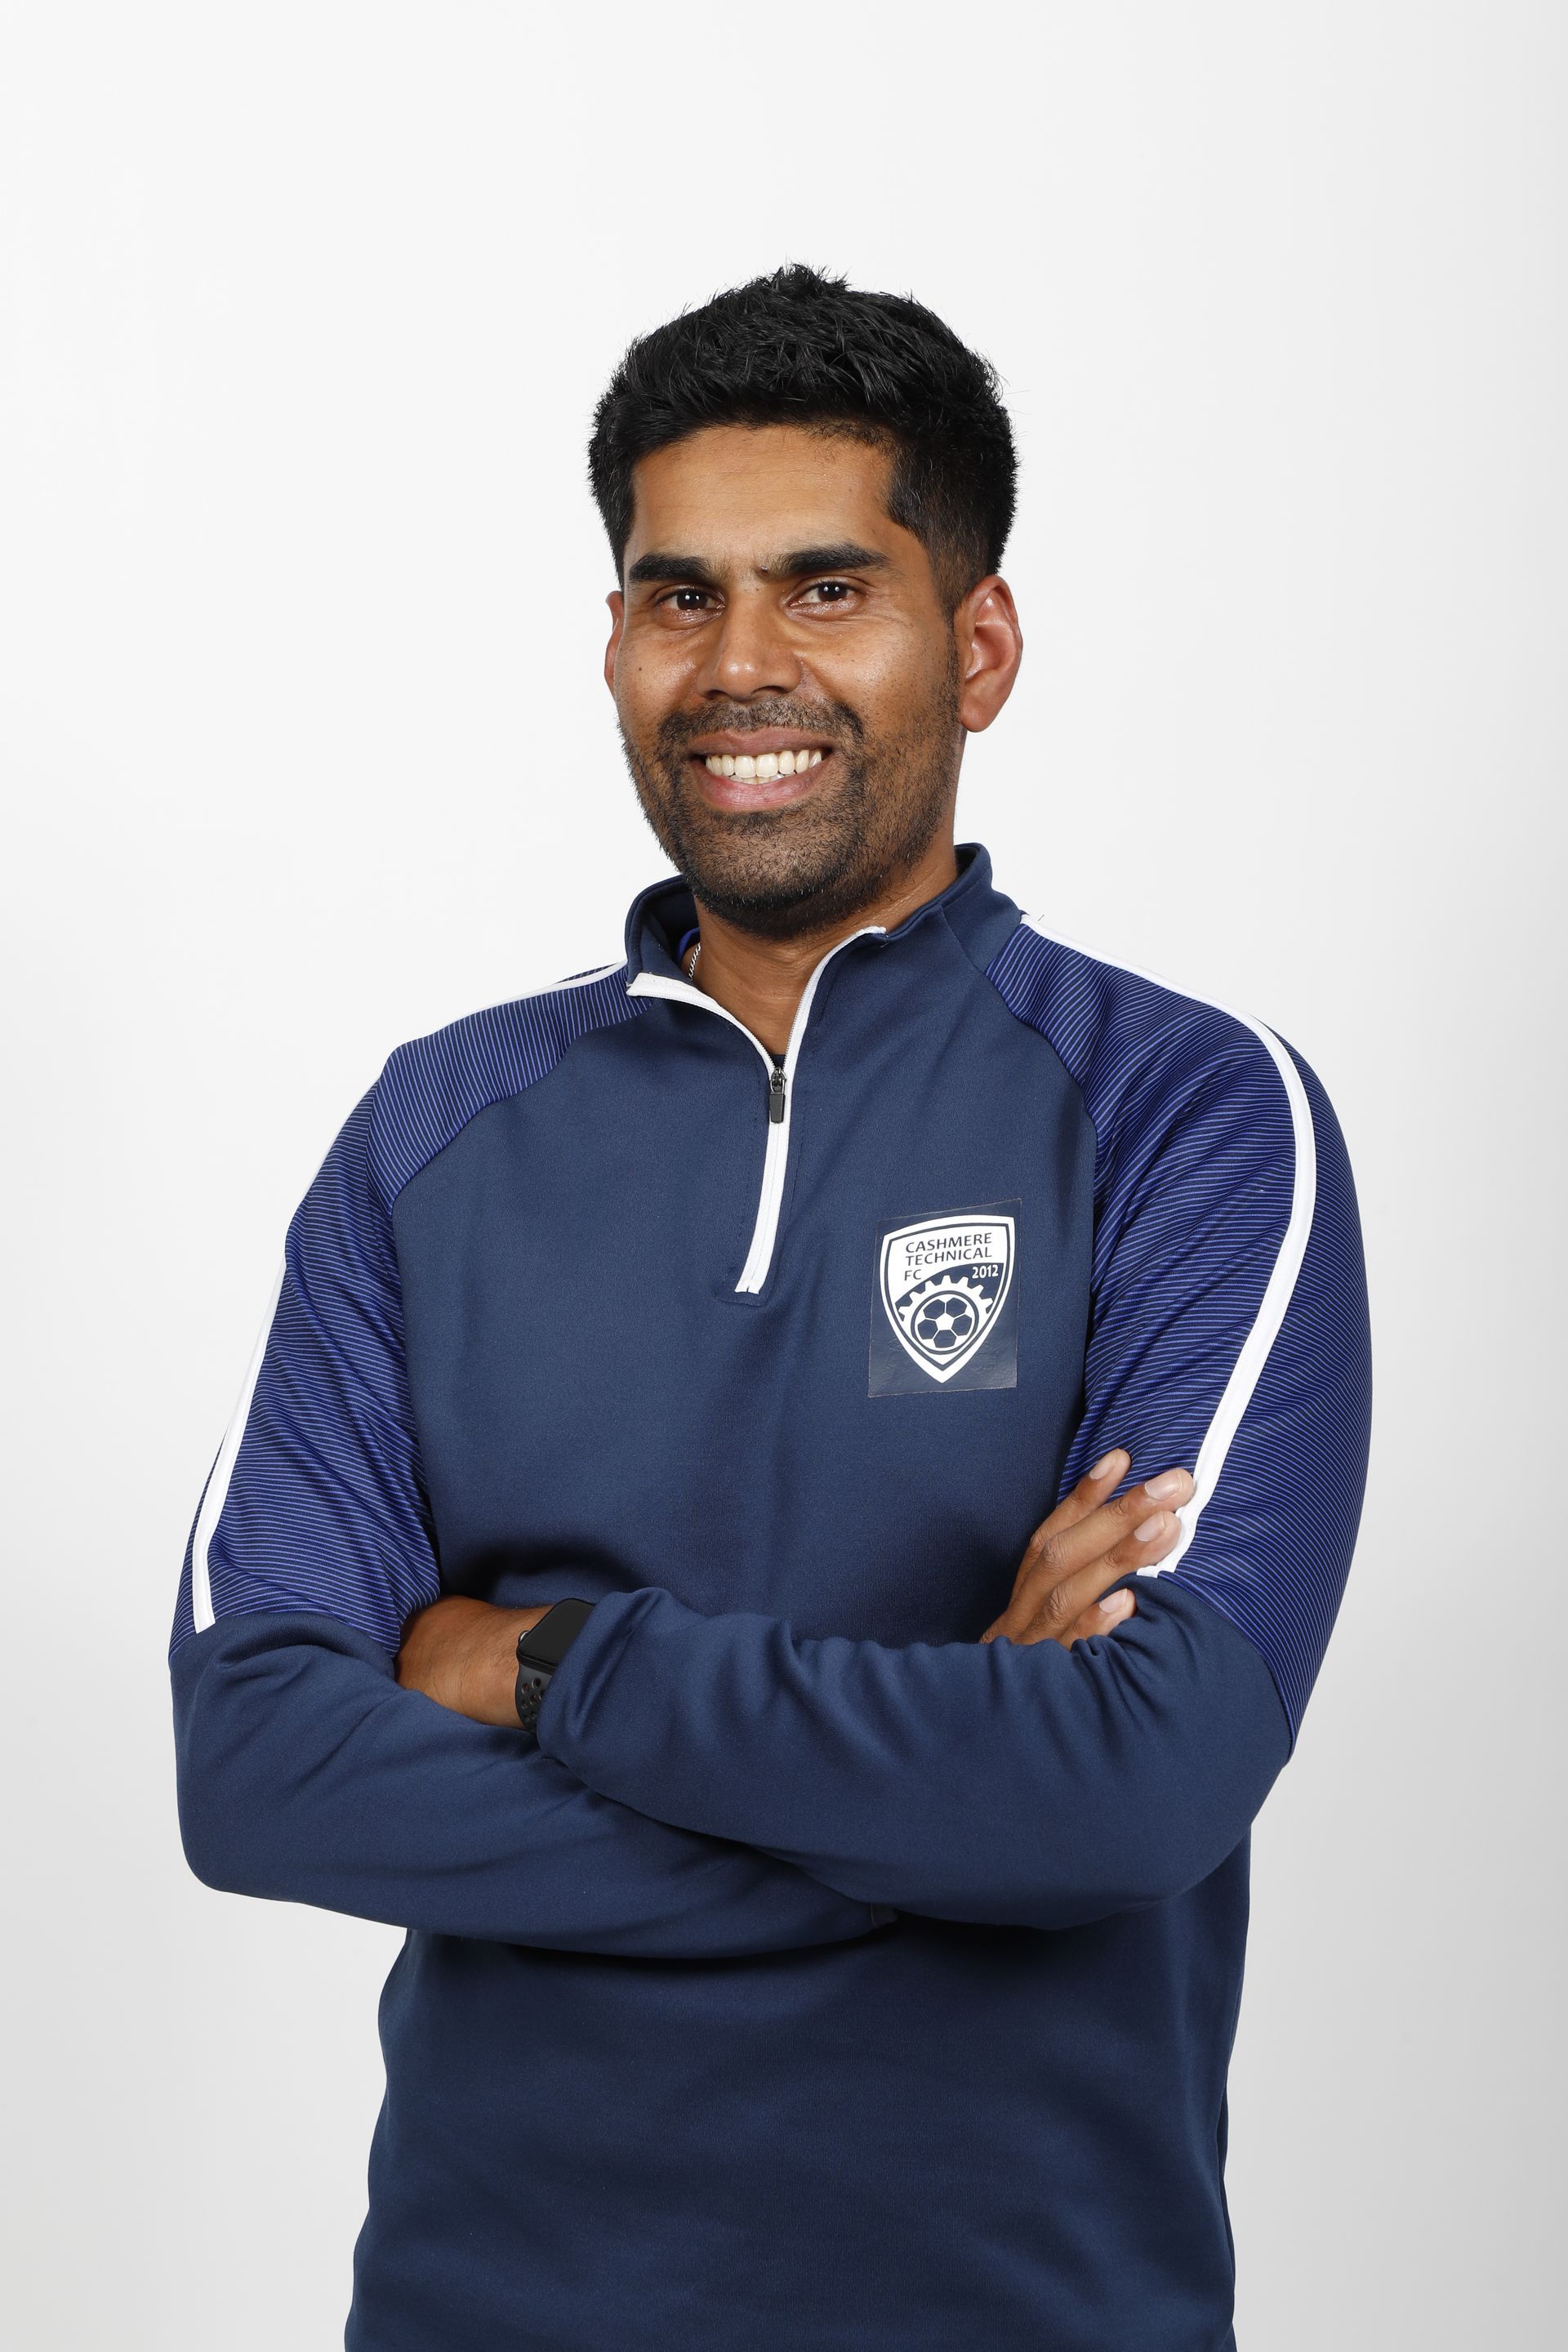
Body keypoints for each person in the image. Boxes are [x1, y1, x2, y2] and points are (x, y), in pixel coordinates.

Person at [168, 263, 1372, 2351]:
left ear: (976, 646)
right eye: (680, 596)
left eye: (827, 589)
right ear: (615, 644)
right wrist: (943, 1780)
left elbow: (1138, 1781)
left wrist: (540, 1660)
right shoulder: (435, 1133)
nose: (740, 666)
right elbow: (259, 1763)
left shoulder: (1188, 1113)